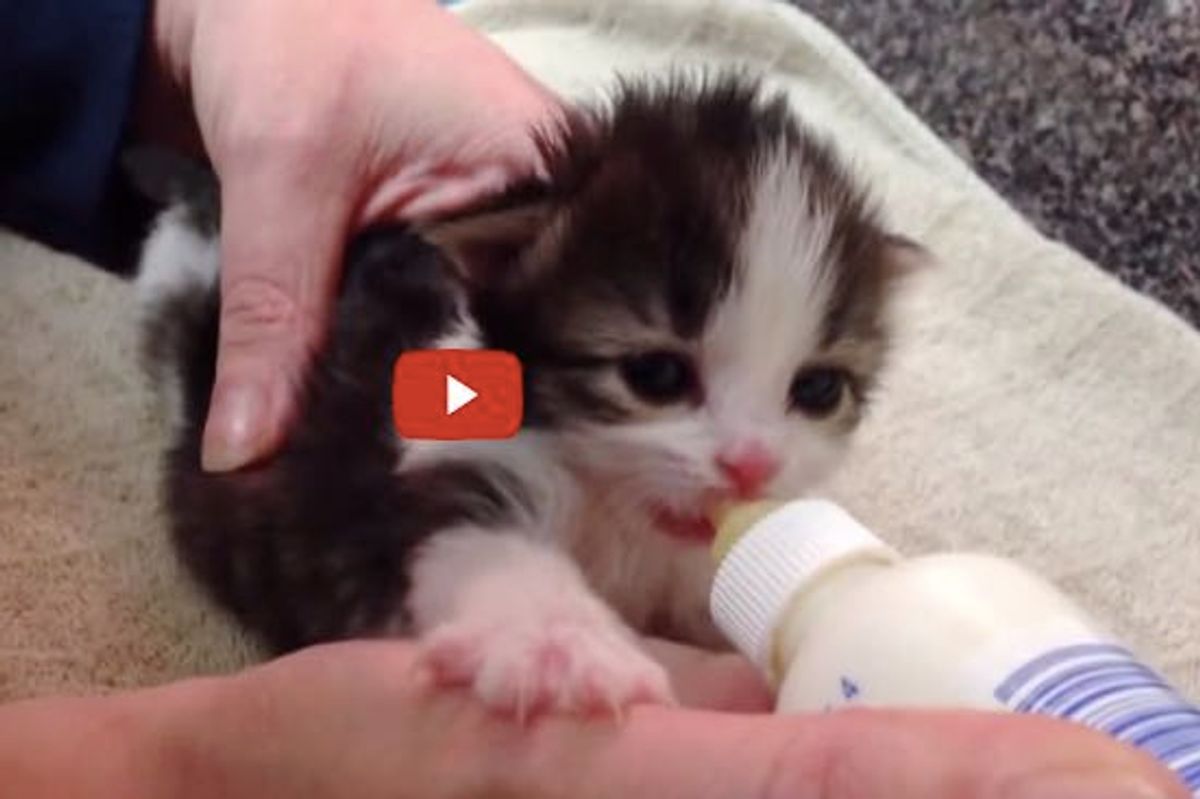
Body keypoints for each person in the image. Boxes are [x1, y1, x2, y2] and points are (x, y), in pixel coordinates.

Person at [0, 1, 1185, 797]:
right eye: (660, 375)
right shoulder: (489, 392)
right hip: (308, 319)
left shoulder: (665, 446)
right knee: (364, 395)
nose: (750, 462)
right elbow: (458, 504)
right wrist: (526, 616)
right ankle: (197, 241)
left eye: (814, 389)